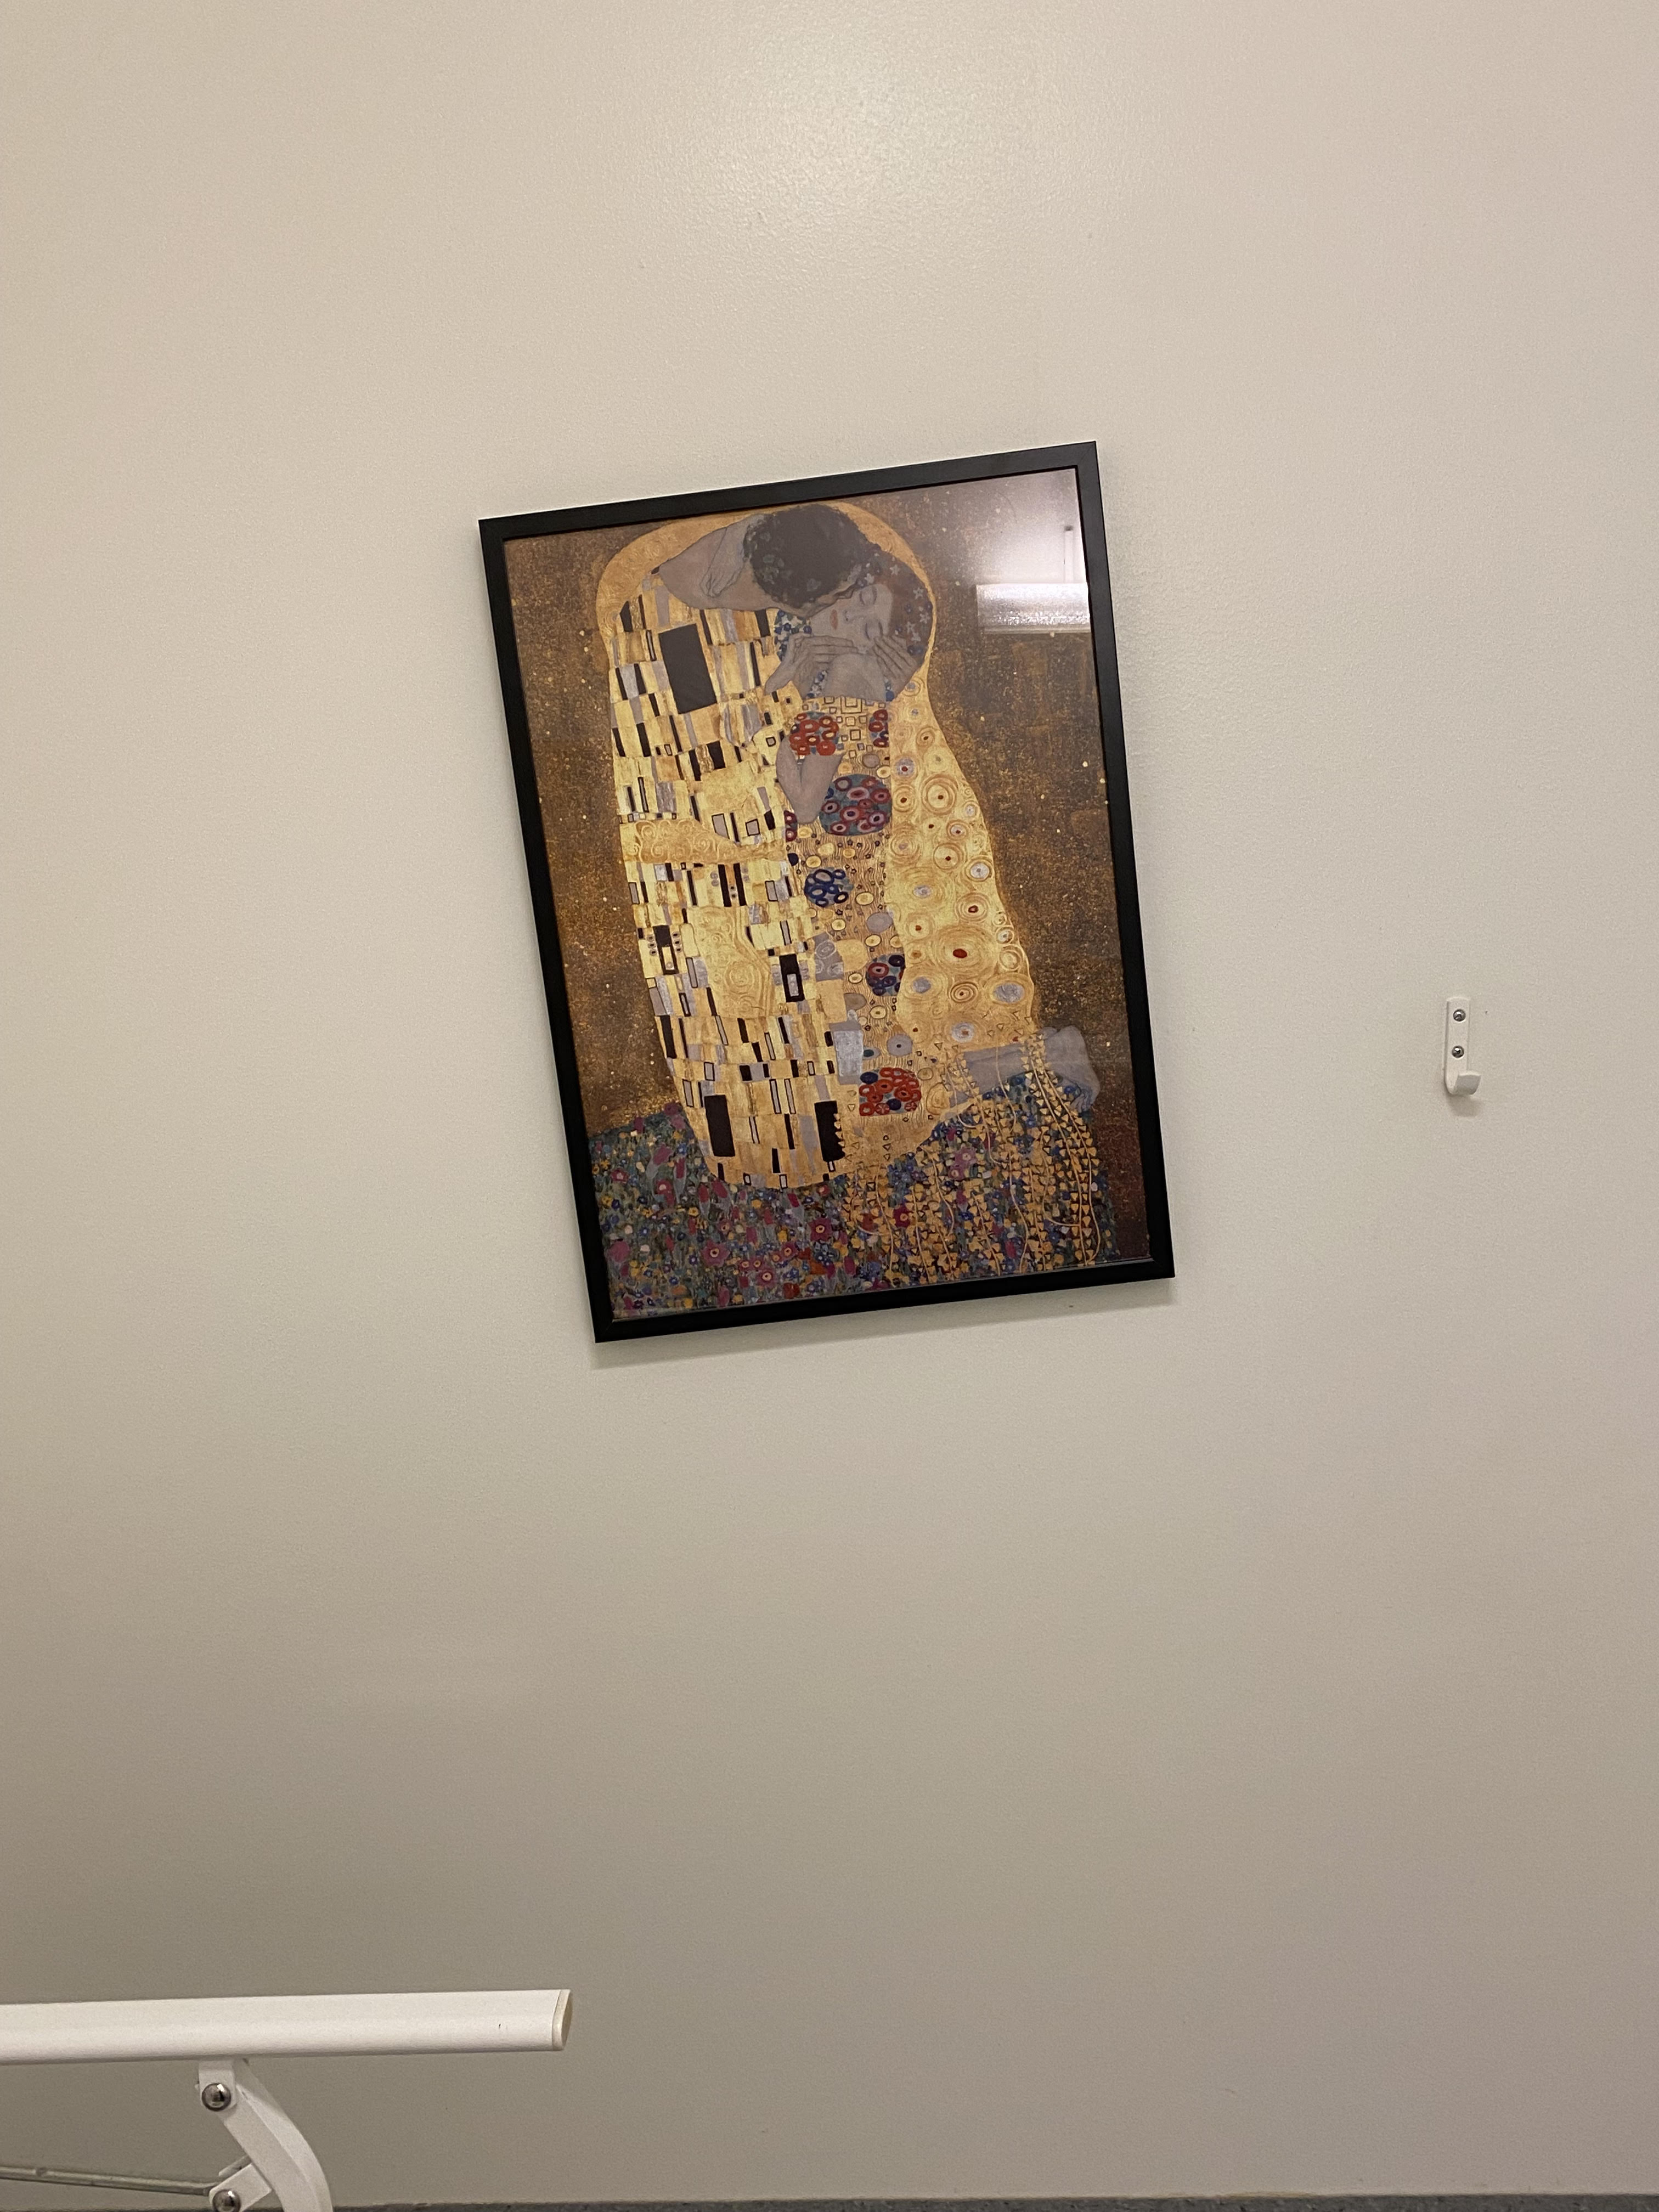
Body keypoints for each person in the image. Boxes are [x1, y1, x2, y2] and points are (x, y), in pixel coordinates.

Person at [591, 500, 1105, 1311]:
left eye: (851, 612)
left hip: (830, 872)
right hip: (738, 870)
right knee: (783, 1033)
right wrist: (783, 714)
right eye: (830, 609)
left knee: (854, 1013)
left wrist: (807, 706)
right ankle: (813, 1135)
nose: (831, 624)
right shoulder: (665, 616)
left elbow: (822, 767)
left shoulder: (839, 674)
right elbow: (687, 751)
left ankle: (863, 1122)